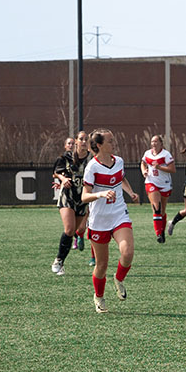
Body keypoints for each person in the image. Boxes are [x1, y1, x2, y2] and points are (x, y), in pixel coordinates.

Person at [82, 128, 139, 313]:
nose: (114, 143)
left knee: (128, 252)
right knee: (101, 265)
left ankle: (119, 278)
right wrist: (101, 194)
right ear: (99, 145)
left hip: (118, 214)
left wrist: (130, 192)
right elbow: (84, 196)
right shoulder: (92, 167)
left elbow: (121, 179)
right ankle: (98, 297)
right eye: (110, 141)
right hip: (99, 220)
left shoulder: (119, 161)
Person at [51, 132, 93, 275]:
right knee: (69, 229)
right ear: (76, 141)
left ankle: (78, 237)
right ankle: (59, 260)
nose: (83, 142)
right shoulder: (66, 157)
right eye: (81, 139)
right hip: (67, 196)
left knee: (79, 230)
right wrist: (62, 180)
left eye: (86, 139)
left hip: (82, 199)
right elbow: (56, 172)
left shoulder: (92, 159)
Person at [140, 135, 176, 243]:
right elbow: (143, 163)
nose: (154, 144)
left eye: (156, 141)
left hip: (164, 184)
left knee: (162, 211)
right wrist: (144, 171)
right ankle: (158, 234)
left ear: (161, 143)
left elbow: (173, 169)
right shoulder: (147, 153)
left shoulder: (165, 154)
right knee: (157, 207)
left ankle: (162, 231)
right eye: (152, 142)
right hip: (151, 182)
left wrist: (160, 167)